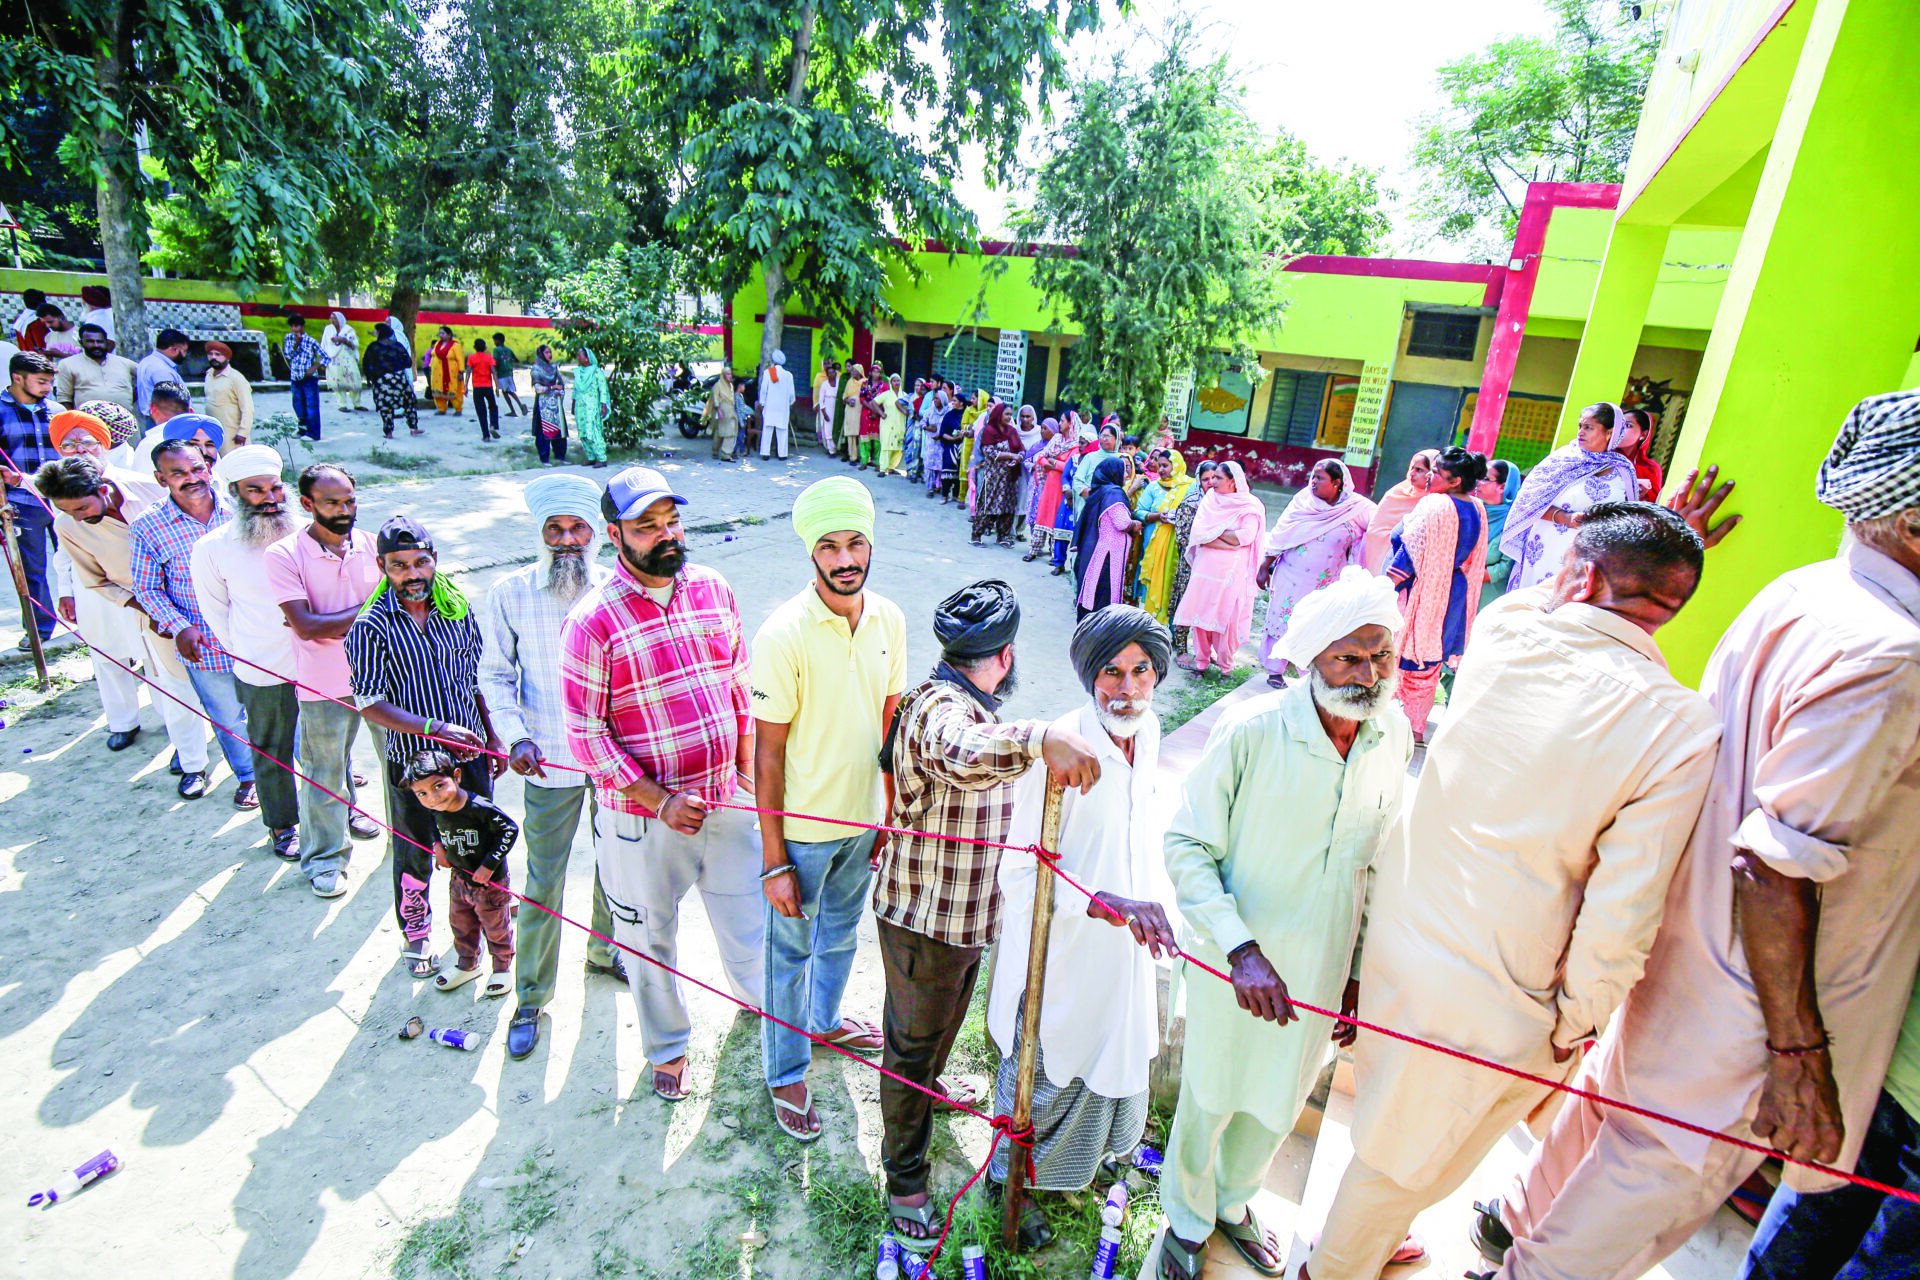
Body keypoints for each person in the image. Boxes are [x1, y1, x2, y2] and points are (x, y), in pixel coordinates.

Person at [1479, 396, 1920, 1280]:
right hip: (1750, 1009)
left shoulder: (1803, 590)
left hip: (1679, 950)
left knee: (1604, 1121)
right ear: (1913, 519)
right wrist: (1799, 1056)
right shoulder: (1893, 654)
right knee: (1638, 1192)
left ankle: (1505, 1237)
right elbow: (1774, 860)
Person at [1305, 504, 1721, 1280]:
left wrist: (1638, 546)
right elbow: (1624, 905)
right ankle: (1328, 1267)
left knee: (1399, 1128)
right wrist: (1579, 1017)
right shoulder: (1680, 724)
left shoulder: (1507, 628)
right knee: (1406, 1156)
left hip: (1402, 927)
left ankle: (1365, 1237)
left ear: (1582, 575)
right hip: (1499, 989)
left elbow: (1549, 590)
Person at [1157, 568, 1414, 1280]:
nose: (1368, 674)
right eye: (1350, 657)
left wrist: (1358, 975)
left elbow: (1377, 865)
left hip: (1323, 970)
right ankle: (1184, 1220)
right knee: (1211, 1096)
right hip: (1232, 961)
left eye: (1381, 655)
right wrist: (1241, 950)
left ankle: (1235, 1205)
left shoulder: (1391, 732)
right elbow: (1185, 845)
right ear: (1314, 658)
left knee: (1280, 1103)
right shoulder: (1254, 730)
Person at [875, 580, 1103, 1248]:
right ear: (1004, 656)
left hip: (963, 923)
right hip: (923, 922)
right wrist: (1040, 736)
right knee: (910, 1052)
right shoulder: (941, 707)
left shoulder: (966, 702)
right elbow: (959, 753)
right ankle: (905, 1180)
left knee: (937, 1038)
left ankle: (924, 1104)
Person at [559, 465, 765, 1086]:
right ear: (613, 534)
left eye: (671, 520)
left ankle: (760, 1006)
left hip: (727, 802)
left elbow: (738, 685)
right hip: (642, 819)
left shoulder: (712, 587)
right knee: (648, 939)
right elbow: (586, 737)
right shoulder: (591, 621)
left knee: (749, 920)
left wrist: (746, 769)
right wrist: (659, 800)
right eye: (647, 526)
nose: (666, 534)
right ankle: (668, 1046)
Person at [986, 606, 1176, 1246]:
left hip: (1123, 947)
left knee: (1112, 1049)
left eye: (1141, 671)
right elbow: (1018, 870)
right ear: (1089, 677)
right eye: (1112, 673)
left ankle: (1079, 1168)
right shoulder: (1063, 750)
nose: (1127, 689)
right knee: (1043, 1067)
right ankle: (1007, 1177)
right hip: (1060, 946)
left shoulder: (1147, 735)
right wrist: (1096, 903)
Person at [751, 476, 906, 1140]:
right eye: (830, 547)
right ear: (811, 554)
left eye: (856, 544)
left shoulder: (889, 620)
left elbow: (890, 723)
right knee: (788, 953)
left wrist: (892, 817)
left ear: (870, 546)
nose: (846, 560)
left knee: (842, 936)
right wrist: (773, 860)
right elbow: (767, 757)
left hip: (862, 825)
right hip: (803, 835)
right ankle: (785, 1070)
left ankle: (823, 1024)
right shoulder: (783, 632)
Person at [478, 474, 628, 1058]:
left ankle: (604, 950)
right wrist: (514, 736)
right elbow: (494, 673)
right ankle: (532, 996)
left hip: (614, 760)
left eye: (577, 529)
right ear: (541, 535)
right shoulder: (510, 592)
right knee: (544, 879)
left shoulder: (619, 588)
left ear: (596, 535)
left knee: (617, 864)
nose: (567, 540)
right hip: (546, 761)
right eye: (555, 530)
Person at [345, 516, 503, 976]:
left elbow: (478, 679)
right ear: (382, 567)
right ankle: (415, 933)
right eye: (399, 566)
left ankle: (485, 910)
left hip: (470, 757)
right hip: (412, 765)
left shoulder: (456, 611)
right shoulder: (370, 626)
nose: (412, 574)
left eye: (421, 562)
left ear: (435, 561)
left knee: (475, 841)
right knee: (416, 849)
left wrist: (492, 737)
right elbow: (369, 703)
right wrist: (434, 728)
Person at [265, 464, 383, 898]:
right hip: (323, 682)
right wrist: (373, 612)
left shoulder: (373, 544)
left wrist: (342, 621)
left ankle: (411, 850)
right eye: (332, 502)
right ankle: (325, 860)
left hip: (385, 676)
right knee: (324, 773)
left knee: (400, 766)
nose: (344, 509)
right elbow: (308, 627)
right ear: (307, 504)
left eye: (349, 500)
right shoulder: (284, 554)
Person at [35, 454, 193, 760]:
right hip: (143, 607)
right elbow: (96, 580)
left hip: (194, 589)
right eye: (65, 510)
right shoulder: (67, 525)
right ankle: (186, 747)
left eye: (82, 507)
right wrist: (151, 610)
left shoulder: (152, 490)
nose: (77, 517)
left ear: (103, 489)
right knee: (169, 677)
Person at [128, 439, 258, 804]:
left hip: (258, 635)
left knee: (283, 709)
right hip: (204, 643)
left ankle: (314, 773)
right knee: (228, 717)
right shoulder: (148, 526)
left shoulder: (242, 507)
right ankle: (249, 777)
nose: (192, 478)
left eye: (197, 468)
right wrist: (179, 626)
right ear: (160, 478)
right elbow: (148, 589)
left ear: (209, 465)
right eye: (178, 473)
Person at [190, 445, 303, 857]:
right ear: (235, 494)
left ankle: (341, 812)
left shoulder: (307, 532)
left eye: (275, 488)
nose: (270, 498)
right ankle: (282, 825)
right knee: (272, 749)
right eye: (256, 490)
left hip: (319, 665)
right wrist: (252, 654)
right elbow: (216, 616)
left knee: (329, 747)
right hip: (261, 668)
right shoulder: (213, 548)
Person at [1384, 447, 1489, 741]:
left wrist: (1385, 587)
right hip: (1453, 593)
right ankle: (1415, 727)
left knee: (1404, 656)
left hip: (1422, 592)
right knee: (1428, 664)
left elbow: (1411, 552)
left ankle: (1393, 726)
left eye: (1437, 473)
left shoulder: (1436, 505)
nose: (1430, 477)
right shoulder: (1477, 507)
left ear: (1454, 481)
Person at [405, 748, 518, 999]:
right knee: (461, 924)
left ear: (456, 776)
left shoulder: (479, 807)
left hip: (490, 885)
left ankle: (502, 968)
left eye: (438, 786)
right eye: (421, 793)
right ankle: (467, 965)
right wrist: (438, 846)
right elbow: (435, 824)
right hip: (459, 880)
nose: (432, 798)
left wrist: (489, 865)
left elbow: (509, 830)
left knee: (496, 927)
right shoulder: (437, 809)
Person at [1255, 459, 1374, 686]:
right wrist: (1264, 566)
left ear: (1337, 482)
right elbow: (1281, 533)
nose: (1313, 482)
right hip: (1291, 576)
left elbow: (1379, 528)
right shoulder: (1302, 502)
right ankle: (1275, 670)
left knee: (1316, 624)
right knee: (1282, 617)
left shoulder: (1356, 508)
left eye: (1320, 478)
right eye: (1313, 476)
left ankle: (1308, 674)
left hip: (1326, 583)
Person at [1500, 402, 1640, 591]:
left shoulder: (1623, 470)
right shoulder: (1561, 460)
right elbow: (1527, 503)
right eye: (1580, 426)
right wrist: (1565, 518)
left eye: (1588, 427)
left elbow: (1628, 517)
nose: (1580, 432)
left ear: (1610, 433)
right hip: (1546, 548)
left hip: (1591, 555)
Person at [1174, 460, 1266, 676]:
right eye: (1212, 477)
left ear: (1233, 482)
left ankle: (1226, 667)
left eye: (1218, 478)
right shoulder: (1210, 501)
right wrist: (1227, 538)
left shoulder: (1249, 505)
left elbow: (1245, 537)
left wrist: (1215, 532)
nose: (1212, 482)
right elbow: (1199, 537)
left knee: (1226, 618)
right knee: (1200, 616)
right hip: (1205, 569)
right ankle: (1201, 663)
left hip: (1232, 573)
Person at [1, 351, 61, 647]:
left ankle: (89, 625)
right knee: (31, 569)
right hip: (21, 501)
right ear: (17, 378)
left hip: (63, 499)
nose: (47, 388)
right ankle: (40, 629)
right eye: (41, 382)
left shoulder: (57, 410)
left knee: (78, 562)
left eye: (50, 382)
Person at [1135, 450, 1198, 622]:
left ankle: (1172, 628)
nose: (1161, 469)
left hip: (1178, 546)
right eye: (1159, 465)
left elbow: (1198, 512)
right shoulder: (1153, 487)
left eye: (1165, 465)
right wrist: (1157, 516)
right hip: (1153, 546)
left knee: (1174, 584)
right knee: (1153, 581)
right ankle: (1149, 624)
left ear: (1176, 465)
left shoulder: (1190, 487)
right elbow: (1138, 511)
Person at [1074, 458, 1139, 617]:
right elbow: (1122, 523)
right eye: (1122, 471)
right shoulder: (1114, 492)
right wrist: (1135, 524)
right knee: (1104, 592)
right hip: (1110, 554)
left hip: (1100, 549)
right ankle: (1099, 628)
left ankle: (1088, 624)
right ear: (1113, 472)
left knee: (1093, 589)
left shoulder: (1100, 491)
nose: (1125, 475)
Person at [1361, 448, 1438, 574]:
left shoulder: (1436, 500)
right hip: (1386, 558)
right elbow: (1375, 530)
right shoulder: (1395, 494)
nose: (1412, 473)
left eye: (1419, 470)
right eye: (1411, 468)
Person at [970, 402, 1024, 546]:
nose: (1008, 417)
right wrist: (1011, 456)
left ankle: (1002, 536)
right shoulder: (989, 430)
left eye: (1010, 414)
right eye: (1006, 414)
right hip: (993, 476)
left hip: (1010, 476)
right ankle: (976, 535)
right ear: (999, 414)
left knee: (1007, 506)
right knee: (986, 504)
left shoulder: (1011, 431)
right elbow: (988, 452)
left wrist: (1019, 457)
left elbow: (1020, 449)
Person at [55, 323, 138, 417]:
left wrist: (134, 395)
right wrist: (73, 423)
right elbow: (64, 398)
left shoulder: (124, 363)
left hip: (124, 422)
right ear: (81, 343)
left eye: (100, 341)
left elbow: (147, 376)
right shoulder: (68, 364)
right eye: (90, 341)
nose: (96, 345)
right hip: (89, 423)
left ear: (106, 343)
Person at [1023, 418, 1073, 564]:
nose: (1060, 424)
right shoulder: (1057, 438)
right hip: (1049, 483)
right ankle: (1034, 550)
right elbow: (1042, 457)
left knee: (1056, 518)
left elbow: (1069, 467)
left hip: (1061, 486)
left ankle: (1054, 555)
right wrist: (1050, 463)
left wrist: (1055, 463)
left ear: (1070, 424)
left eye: (1063, 421)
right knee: (1042, 515)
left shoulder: (1075, 444)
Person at [1477, 458, 1523, 606]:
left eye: (1485, 479)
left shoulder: (1514, 521)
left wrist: (1471, 575)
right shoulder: (1471, 511)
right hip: (1457, 589)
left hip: (1488, 596)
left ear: (1502, 487)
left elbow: (1506, 566)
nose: (1478, 482)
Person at [361, 323, 418, 438]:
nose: (375, 333)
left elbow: (366, 364)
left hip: (381, 380)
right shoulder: (397, 345)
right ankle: (413, 428)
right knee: (408, 403)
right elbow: (408, 362)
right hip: (398, 378)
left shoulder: (373, 346)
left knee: (385, 406)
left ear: (379, 332)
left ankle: (388, 432)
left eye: (376, 331)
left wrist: (370, 378)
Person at [198, 341, 255, 451]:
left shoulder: (236, 378)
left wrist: (242, 433)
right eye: (210, 354)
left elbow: (248, 409)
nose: (213, 357)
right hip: (214, 433)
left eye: (218, 354)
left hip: (233, 437)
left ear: (227, 358)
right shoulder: (209, 375)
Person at [281, 314, 329, 440]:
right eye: (291, 326)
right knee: (298, 404)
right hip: (295, 376)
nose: (294, 329)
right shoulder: (289, 338)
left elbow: (326, 357)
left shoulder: (311, 341)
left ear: (302, 326)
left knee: (311, 405)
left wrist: (315, 367)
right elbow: (288, 355)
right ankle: (302, 428)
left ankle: (313, 433)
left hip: (309, 377)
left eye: (296, 326)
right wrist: (296, 344)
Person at [134, 329, 192, 425]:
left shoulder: (147, 361)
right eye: (184, 351)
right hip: (165, 421)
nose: (185, 355)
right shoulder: (161, 370)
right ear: (174, 349)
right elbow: (171, 403)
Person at [529, 345, 569, 466]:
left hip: (555, 402)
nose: (549, 355)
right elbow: (537, 389)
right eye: (546, 352)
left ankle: (560, 456)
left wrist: (559, 390)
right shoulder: (536, 369)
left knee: (559, 430)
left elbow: (561, 384)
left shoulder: (553, 367)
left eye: (550, 352)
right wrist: (552, 387)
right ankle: (544, 458)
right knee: (543, 432)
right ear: (541, 354)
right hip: (543, 404)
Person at [1073, 422, 1123, 518]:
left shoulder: (1120, 459)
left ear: (1116, 439)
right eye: (1102, 435)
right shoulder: (1090, 457)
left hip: (1111, 507)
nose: (1104, 439)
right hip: (1089, 504)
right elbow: (1077, 480)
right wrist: (1092, 494)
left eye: (1108, 436)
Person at [570, 348, 609, 467]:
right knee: (582, 431)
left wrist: (604, 405)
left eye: (580, 355)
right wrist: (573, 404)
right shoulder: (578, 372)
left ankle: (601, 458)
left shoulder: (596, 372)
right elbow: (575, 390)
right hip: (580, 406)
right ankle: (591, 457)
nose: (578, 358)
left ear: (587, 358)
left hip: (592, 406)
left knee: (593, 430)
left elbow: (603, 390)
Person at [320, 312, 362, 414]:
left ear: (339, 319)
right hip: (333, 359)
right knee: (337, 382)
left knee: (355, 381)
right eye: (331, 318)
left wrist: (343, 340)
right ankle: (342, 405)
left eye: (334, 318)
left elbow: (354, 345)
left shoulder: (348, 330)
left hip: (347, 358)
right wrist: (323, 359)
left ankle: (357, 404)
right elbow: (324, 344)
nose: (332, 320)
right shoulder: (328, 329)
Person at [758, 349, 795, 461]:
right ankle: (782, 455)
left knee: (767, 430)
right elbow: (791, 394)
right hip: (782, 409)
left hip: (770, 407)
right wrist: (788, 404)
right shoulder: (788, 375)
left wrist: (762, 403)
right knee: (782, 431)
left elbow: (764, 390)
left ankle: (765, 453)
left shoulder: (768, 373)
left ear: (773, 361)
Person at [1619, 406, 1663, 499]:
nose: (1620, 430)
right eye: (1618, 425)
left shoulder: (1651, 468)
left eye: (1627, 425)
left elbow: (1655, 502)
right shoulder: (1605, 458)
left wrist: (1643, 496)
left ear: (1643, 434)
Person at [703, 362, 739, 462]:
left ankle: (726, 454)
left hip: (730, 411)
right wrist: (719, 411)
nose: (729, 376)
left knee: (731, 431)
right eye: (727, 374)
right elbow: (715, 399)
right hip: (721, 411)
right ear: (723, 375)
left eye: (730, 374)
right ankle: (715, 451)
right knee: (719, 432)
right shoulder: (718, 385)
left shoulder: (730, 386)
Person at [465, 340, 499, 441]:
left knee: (481, 411)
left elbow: (468, 372)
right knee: (493, 406)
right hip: (488, 386)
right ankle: (493, 425)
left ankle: (486, 436)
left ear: (474, 347)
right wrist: (497, 386)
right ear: (485, 348)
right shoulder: (489, 357)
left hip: (477, 387)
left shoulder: (471, 357)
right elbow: (493, 372)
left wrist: (465, 386)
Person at [427, 325, 465, 415]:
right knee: (437, 390)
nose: (440, 335)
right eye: (439, 333)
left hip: (451, 373)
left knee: (453, 390)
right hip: (437, 373)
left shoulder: (455, 345)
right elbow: (433, 356)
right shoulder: (437, 344)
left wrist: (461, 372)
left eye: (443, 333)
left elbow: (460, 359)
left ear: (449, 335)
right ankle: (441, 408)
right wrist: (430, 367)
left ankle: (458, 409)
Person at [877, 378, 908, 476]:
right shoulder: (886, 394)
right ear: (890, 382)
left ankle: (891, 467)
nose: (896, 383)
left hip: (900, 424)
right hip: (887, 425)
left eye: (898, 381)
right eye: (894, 381)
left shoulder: (904, 395)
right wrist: (881, 413)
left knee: (898, 447)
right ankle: (882, 469)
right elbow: (873, 403)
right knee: (886, 446)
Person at [491, 333, 524, 417]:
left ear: (497, 341)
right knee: (511, 391)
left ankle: (513, 411)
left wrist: (493, 370)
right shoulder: (509, 350)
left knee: (505, 392)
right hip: (509, 373)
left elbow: (496, 361)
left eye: (494, 340)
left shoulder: (496, 350)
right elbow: (516, 360)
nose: (494, 342)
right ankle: (520, 405)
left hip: (501, 374)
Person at [813, 358, 839, 452]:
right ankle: (830, 450)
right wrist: (823, 412)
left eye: (833, 372)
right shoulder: (822, 381)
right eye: (829, 373)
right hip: (826, 408)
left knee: (836, 428)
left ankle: (836, 448)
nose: (831, 374)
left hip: (836, 408)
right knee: (827, 429)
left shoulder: (839, 381)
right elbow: (819, 397)